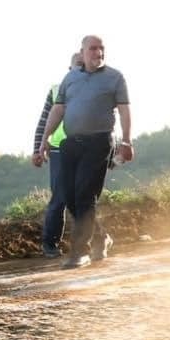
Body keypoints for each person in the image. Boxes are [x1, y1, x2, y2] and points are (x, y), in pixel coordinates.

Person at [38, 35, 133, 269]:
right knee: (68, 194)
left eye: (101, 49)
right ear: (82, 52)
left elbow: (124, 111)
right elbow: (58, 109)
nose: (98, 53)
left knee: (84, 194)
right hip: (71, 143)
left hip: (99, 142)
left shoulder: (115, 77)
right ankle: (100, 237)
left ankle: (80, 251)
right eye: (93, 49)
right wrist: (45, 138)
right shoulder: (70, 78)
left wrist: (127, 142)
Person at [30, 51, 83, 258]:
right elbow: (43, 122)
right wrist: (37, 149)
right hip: (60, 149)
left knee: (84, 197)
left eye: (83, 64)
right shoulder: (56, 90)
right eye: (77, 64)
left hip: (88, 149)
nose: (80, 67)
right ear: (69, 68)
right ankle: (50, 243)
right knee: (60, 196)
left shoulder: (97, 89)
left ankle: (95, 238)